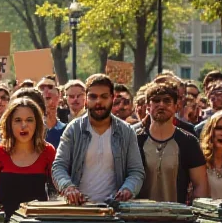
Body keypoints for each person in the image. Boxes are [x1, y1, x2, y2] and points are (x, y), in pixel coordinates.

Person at [53, 74, 145, 204]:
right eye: (93, 97)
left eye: (104, 97)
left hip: (114, 211)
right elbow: (58, 166)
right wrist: (68, 187)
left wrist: (128, 189)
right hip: (79, 209)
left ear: (112, 99)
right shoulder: (74, 129)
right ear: (86, 100)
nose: (98, 102)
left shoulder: (126, 132)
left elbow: (136, 171)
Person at [135, 82, 209, 203]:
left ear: (176, 106)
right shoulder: (136, 140)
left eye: (167, 101)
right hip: (139, 216)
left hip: (177, 217)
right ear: (148, 106)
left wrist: (196, 213)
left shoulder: (188, 142)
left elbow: (200, 184)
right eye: (156, 101)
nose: (161, 105)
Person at [37, 75, 66, 147]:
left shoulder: (67, 130)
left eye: (50, 87)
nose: (46, 91)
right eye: (42, 88)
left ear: (59, 95)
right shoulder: (32, 130)